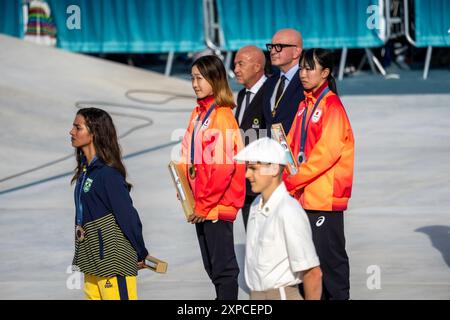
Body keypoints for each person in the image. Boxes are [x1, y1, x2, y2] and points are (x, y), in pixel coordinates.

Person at [283, 48, 355, 300]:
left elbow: (327, 153)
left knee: (329, 262)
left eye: (309, 68)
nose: (303, 73)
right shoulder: (305, 104)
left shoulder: (331, 105)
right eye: (301, 68)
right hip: (303, 195)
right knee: (307, 263)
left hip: (324, 198)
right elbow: (291, 145)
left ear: (325, 73)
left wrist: (292, 179)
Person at [180, 55, 245, 300]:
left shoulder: (223, 116)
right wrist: (184, 186)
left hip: (216, 205)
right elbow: (187, 152)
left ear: (215, 80)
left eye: (200, 78)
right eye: (192, 78)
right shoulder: (198, 113)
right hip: (202, 203)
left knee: (223, 269)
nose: (195, 84)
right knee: (211, 266)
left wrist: (204, 204)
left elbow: (222, 167)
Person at [70, 107, 149, 300]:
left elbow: (127, 216)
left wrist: (141, 251)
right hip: (91, 259)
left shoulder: (108, 174)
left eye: (77, 127)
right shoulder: (86, 171)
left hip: (113, 262)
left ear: (94, 133)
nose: (71, 132)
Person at [234, 137, 322, 300]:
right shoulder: (255, 206)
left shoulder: (288, 211)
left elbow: (312, 273)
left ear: (274, 169)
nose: (247, 174)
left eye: (253, 168)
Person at [233, 45, 268, 230]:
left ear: (257, 66)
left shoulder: (270, 92)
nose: (236, 69)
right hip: (245, 181)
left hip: (264, 180)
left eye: (241, 64)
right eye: (235, 65)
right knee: (253, 237)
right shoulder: (242, 95)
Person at [263, 28, 305, 134]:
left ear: (296, 52)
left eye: (278, 47)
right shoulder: (269, 82)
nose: (272, 52)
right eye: (271, 47)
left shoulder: (308, 82)